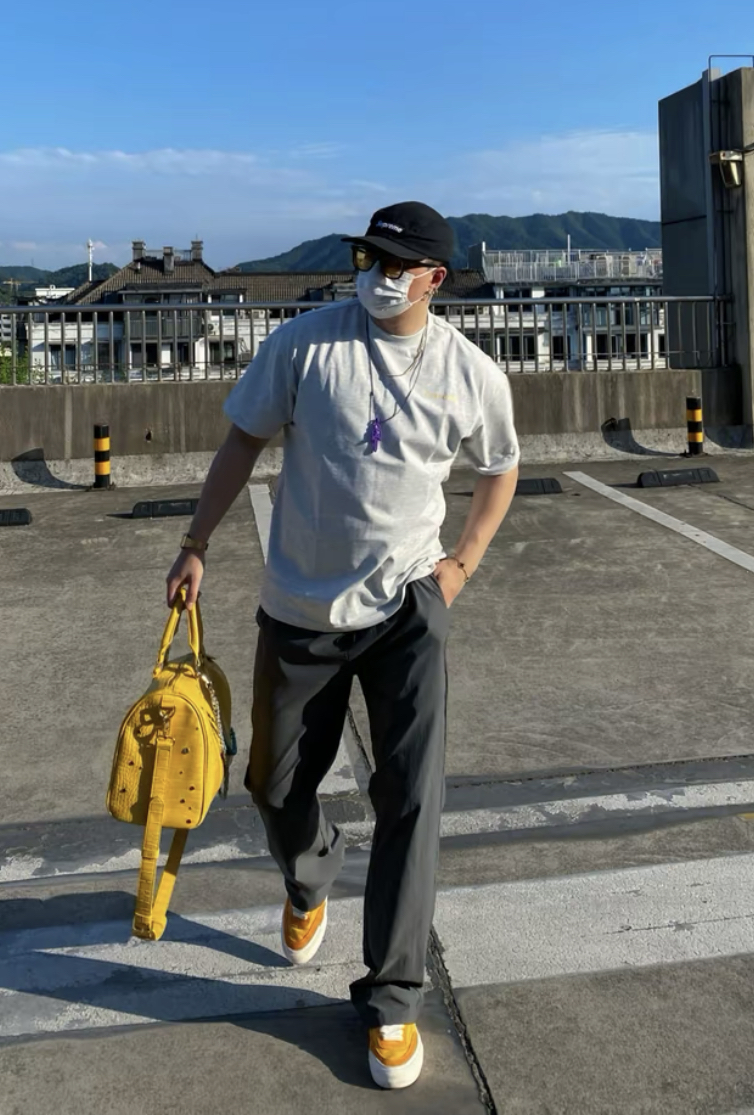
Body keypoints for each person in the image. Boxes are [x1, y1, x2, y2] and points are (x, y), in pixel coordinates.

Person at [166, 201, 520, 1089]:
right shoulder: (305, 344)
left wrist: (460, 567)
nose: (379, 275)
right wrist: (196, 542)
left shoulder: (469, 371)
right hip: (300, 610)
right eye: (370, 258)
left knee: (411, 801)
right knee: (272, 782)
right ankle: (311, 873)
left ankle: (393, 998)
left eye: (398, 264)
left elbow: (501, 465)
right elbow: (242, 439)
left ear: (436, 278)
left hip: (407, 610)